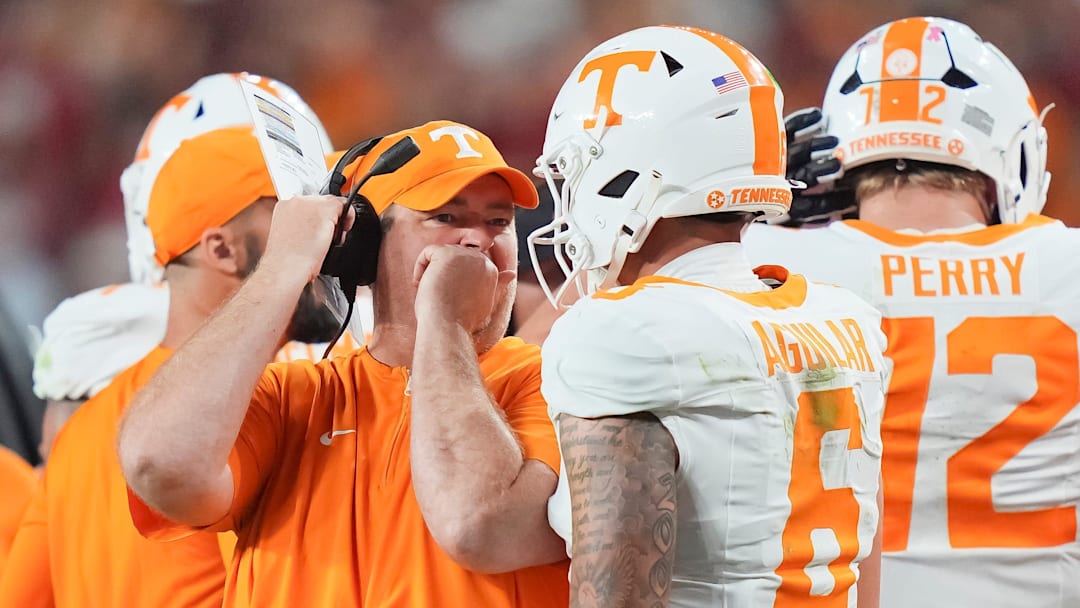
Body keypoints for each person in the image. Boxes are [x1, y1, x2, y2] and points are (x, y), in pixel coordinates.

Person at [118, 119, 571, 607]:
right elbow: (159, 464)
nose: (477, 240)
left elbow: (485, 525)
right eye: (444, 217)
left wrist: (445, 323)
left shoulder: (561, 381)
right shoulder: (294, 398)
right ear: (362, 247)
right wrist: (283, 266)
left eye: (499, 221)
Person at [529, 25, 888, 607]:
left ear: (630, 173)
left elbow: (617, 589)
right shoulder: (847, 318)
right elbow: (866, 556)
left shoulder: (625, 330)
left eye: (578, 172)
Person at [742, 16, 1080, 608]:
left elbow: (561, 339)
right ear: (1016, 150)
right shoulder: (1069, 267)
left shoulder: (765, 262)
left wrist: (746, 210)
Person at [0, 72, 344, 608]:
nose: (330, 228)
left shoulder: (80, 433)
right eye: (297, 212)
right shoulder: (278, 408)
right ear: (222, 250)